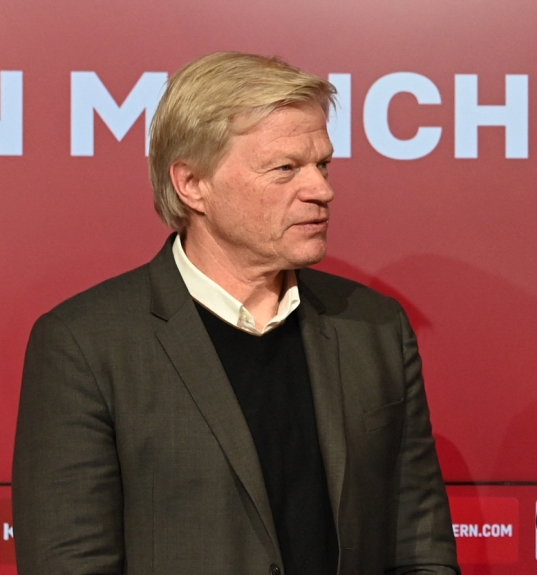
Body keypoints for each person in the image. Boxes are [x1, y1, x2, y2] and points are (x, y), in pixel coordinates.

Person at [12, 52, 458, 575]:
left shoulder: (375, 329)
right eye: (285, 169)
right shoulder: (85, 344)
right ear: (192, 184)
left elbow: (420, 546)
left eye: (322, 164)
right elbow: (71, 561)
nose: (321, 190)